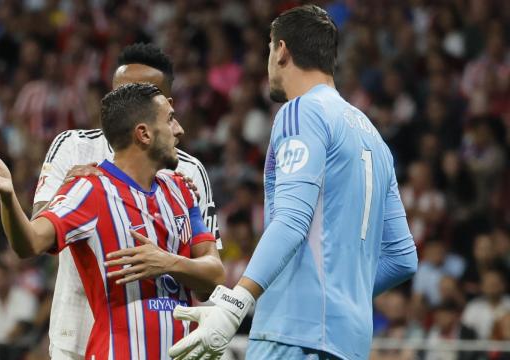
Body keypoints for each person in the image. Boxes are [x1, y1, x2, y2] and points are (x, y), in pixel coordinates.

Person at [168, 5, 418, 360]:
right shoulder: (374, 137)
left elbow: (291, 221)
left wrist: (235, 303)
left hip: (293, 336)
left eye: (269, 49)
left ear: (281, 49)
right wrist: (338, 300)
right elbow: (403, 258)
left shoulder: (301, 112)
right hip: (350, 343)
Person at [0, 83, 225, 360]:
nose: (179, 130)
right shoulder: (89, 190)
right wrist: (8, 198)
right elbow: (30, 244)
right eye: (169, 119)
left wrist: (168, 263)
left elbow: (214, 275)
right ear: (143, 134)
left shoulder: (182, 190)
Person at [32, 43, 221, 360]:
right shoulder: (74, 147)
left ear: (164, 103)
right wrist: (84, 187)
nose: (124, 99)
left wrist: (166, 261)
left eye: (139, 90)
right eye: (119, 90)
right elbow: (42, 223)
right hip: (77, 330)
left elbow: (208, 278)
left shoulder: (187, 173)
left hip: (164, 340)